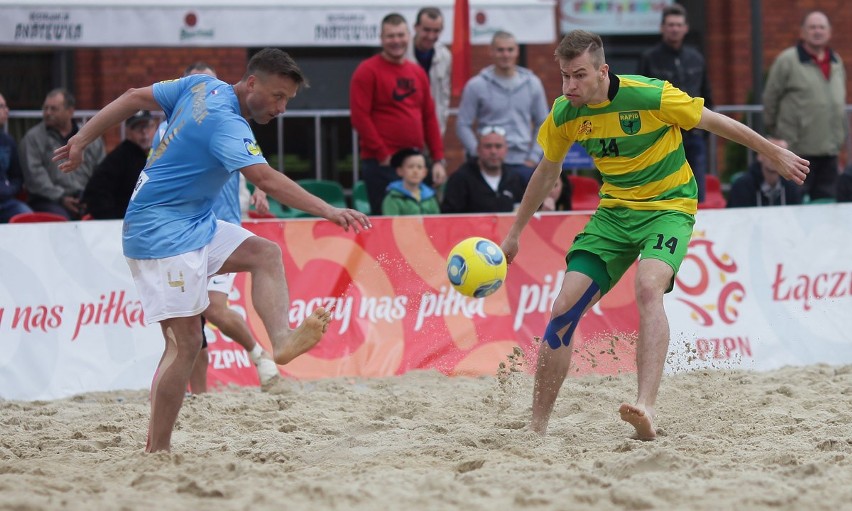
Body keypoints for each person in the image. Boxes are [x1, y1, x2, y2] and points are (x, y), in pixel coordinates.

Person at [53, 48, 372, 452]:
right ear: (252, 82)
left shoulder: (201, 85)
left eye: (289, 100)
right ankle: (158, 449)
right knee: (184, 343)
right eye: (278, 97)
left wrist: (82, 137)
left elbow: (133, 95)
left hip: (194, 222)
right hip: (159, 232)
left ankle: (282, 340)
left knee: (265, 254)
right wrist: (328, 209)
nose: (283, 108)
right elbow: (265, 178)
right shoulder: (225, 122)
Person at [500, 30, 808, 441]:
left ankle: (644, 406)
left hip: (668, 208)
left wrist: (773, 151)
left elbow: (716, 122)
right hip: (614, 216)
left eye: (579, 75)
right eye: (564, 76)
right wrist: (516, 231)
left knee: (648, 287)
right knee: (562, 309)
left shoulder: (652, 95)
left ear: (602, 71)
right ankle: (537, 426)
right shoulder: (564, 113)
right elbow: (547, 171)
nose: (570, 85)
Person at [350, 12, 447, 216]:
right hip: (381, 163)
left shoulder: (417, 72)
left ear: (409, 36)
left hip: (415, 162)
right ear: (381, 38)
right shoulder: (367, 70)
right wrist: (382, 153)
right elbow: (360, 117)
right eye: (391, 36)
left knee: (423, 223)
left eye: (400, 35)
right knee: (386, 225)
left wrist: (438, 159)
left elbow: (429, 116)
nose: (396, 41)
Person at [763, 10, 846, 201]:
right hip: (796, 153)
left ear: (829, 32)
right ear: (802, 32)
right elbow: (770, 99)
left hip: (829, 151)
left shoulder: (836, 62)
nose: (817, 31)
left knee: (825, 208)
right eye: (812, 27)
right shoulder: (787, 61)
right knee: (794, 206)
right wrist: (779, 134)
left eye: (822, 27)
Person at [638, 4, 713, 202]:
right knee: (662, 192)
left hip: (693, 134)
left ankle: (698, 232)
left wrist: (703, 131)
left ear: (686, 28)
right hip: (661, 137)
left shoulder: (696, 58)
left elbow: (707, 94)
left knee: (697, 193)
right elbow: (640, 99)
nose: (675, 29)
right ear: (662, 28)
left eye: (679, 25)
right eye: (670, 25)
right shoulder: (649, 58)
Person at [456, 31, 549, 185]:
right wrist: (478, 153)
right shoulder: (476, 85)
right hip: (487, 165)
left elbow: (544, 123)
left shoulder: (533, 84)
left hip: (522, 162)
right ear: (491, 52)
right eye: (500, 50)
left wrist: (533, 157)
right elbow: (462, 124)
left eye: (510, 49)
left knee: (525, 208)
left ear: (517, 51)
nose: (505, 54)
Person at [20, 88, 105, 219]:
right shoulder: (33, 138)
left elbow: (102, 171)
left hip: (86, 197)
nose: (48, 113)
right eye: (45, 108)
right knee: (62, 220)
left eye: (53, 109)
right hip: (48, 200)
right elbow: (35, 177)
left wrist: (91, 195)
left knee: (109, 212)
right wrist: (61, 197)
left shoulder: (90, 137)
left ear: (70, 111)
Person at [81, 110, 156, 219]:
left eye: (147, 126)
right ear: (128, 132)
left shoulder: (162, 154)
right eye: (137, 128)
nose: (144, 132)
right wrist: (115, 220)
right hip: (126, 222)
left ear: (155, 127)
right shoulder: (118, 158)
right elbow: (96, 191)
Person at [441, 125, 526, 213]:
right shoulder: (460, 179)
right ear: (478, 150)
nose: (493, 151)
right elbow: (449, 217)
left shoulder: (515, 179)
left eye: (498, 146)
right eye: (488, 146)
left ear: (506, 150)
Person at [406, 6, 452, 136]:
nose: (431, 36)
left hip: (432, 129)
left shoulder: (445, 56)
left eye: (436, 31)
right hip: (405, 127)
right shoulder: (402, 53)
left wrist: (440, 128)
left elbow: (444, 97)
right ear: (416, 27)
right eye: (426, 30)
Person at [727, 138, 804, 208]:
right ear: (759, 156)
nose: (776, 158)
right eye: (771, 152)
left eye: (782, 155)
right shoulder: (742, 185)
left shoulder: (792, 187)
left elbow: (797, 218)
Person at [0, 92, 32, 222]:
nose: (7, 110)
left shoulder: (8, 141)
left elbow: (17, 177)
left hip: (5, 202)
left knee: (28, 216)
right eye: (1, 106)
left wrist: (8, 190)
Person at [381, 147, 440, 215]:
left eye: (419, 167)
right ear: (400, 171)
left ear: (425, 172)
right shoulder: (392, 198)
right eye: (410, 167)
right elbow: (391, 223)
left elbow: (437, 222)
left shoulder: (430, 198)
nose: (415, 171)